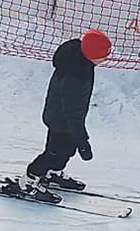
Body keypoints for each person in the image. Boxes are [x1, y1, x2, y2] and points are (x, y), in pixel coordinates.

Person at [17, 30, 109, 196]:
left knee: (66, 150)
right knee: (54, 154)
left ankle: (53, 173)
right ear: (92, 54)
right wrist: (82, 141)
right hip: (62, 120)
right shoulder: (74, 76)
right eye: (103, 55)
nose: (106, 58)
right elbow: (71, 112)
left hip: (65, 119)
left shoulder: (80, 61)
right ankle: (29, 180)